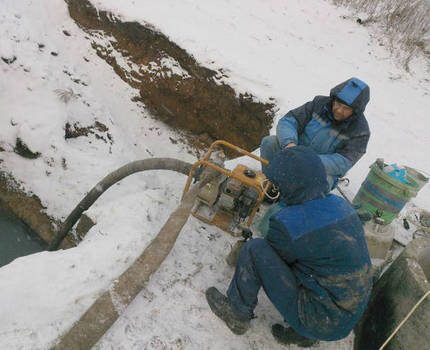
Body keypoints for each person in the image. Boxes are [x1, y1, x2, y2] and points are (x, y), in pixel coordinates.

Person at [205, 146, 372, 347]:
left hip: (319, 318)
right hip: (346, 315)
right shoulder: (341, 206)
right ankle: (303, 336)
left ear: (289, 185)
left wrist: (241, 253)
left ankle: (236, 313)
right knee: (316, 266)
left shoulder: (290, 224)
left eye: (277, 184)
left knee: (255, 249)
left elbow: (268, 258)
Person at [261, 77, 370, 190]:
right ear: (333, 99)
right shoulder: (318, 104)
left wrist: (310, 160)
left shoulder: (360, 131)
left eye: (346, 108)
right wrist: (290, 145)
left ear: (355, 111)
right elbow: (289, 121)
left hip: (318, 168)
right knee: (270, 142)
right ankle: (270, 184)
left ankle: (293, 203)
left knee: (324, 182)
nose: (339, 110)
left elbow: (343, 162)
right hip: (293, 154)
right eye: (337, 103)